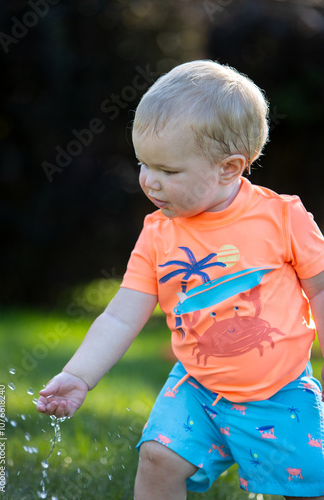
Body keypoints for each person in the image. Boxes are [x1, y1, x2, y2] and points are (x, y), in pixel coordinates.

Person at [37, 60, 324, 500]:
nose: (149, 181)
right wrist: (79, 375)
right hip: (197, 388)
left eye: (169, 171)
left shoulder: (284, 218)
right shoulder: (158, 233)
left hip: (280, 392)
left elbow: (320, 290)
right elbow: (120, 316)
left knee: (307, 487)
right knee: (157, 459)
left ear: (229, 168)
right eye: (143, 163)